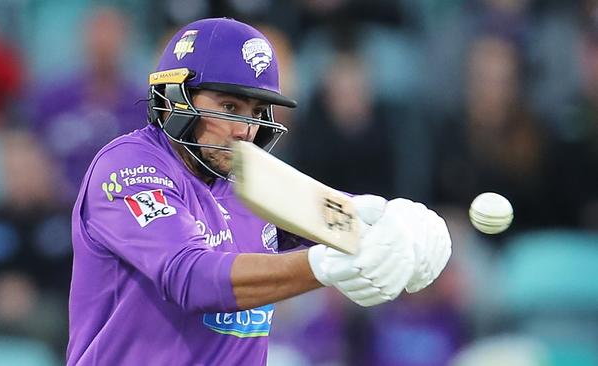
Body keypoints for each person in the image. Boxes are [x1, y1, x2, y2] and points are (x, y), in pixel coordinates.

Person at [67, 17, 452, 365]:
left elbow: (336, 215)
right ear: (175, 98)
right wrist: (325, 266)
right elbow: (191, 277)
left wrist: (397, 220)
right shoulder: (128, 168)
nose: (245, 129)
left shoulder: (250, 178)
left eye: (255, 111)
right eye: (229, 106)